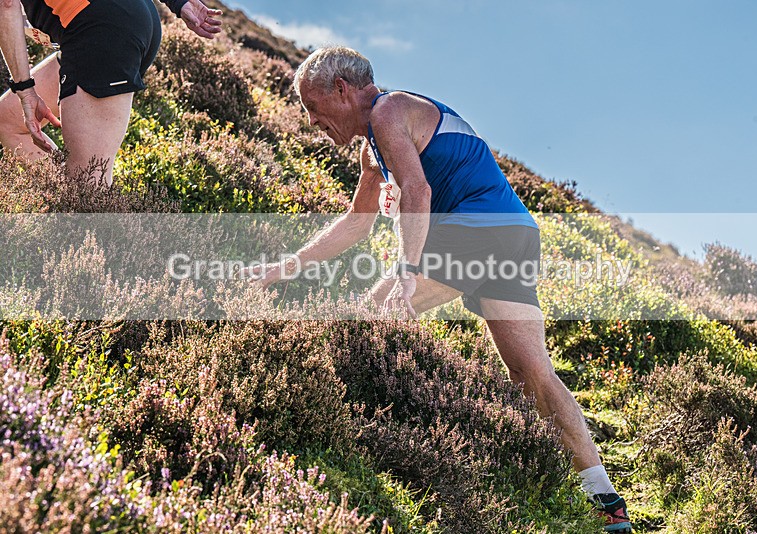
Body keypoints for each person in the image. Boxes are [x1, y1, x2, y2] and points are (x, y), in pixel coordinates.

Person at [245, 46, 632, 531]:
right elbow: (357, 223)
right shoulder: (375, 144)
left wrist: (407, 267)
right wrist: (286, 266)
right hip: (514, 233)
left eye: (313, 107)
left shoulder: (388, 112)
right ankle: (606, 502)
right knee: (533, 373)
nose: (313, 121)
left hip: (478, 230)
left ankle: (343, 438)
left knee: (372, 313)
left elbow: (418, 190)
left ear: (341, 90)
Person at [0, 0, 223, 185]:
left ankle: (83, 214)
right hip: (133, 17)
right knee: (8, 121)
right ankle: (62, 192)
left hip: (101, 31)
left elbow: (6, 4)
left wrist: (25, 90)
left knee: (88, 188)